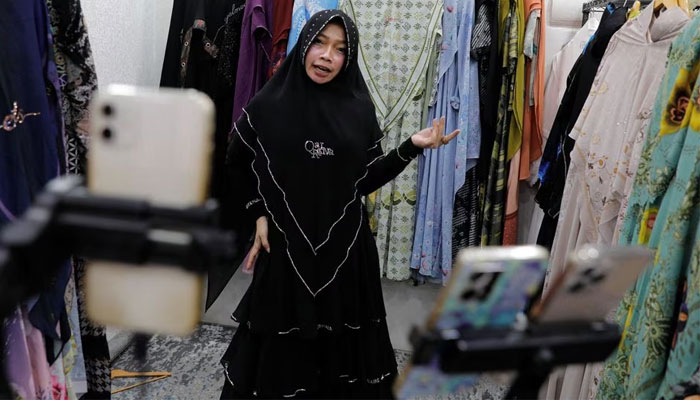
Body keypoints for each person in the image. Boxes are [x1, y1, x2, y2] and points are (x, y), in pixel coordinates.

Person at [219, 9, 459, 399]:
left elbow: (365, 179)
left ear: (349, 58)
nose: (327, 56)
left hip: (345, 253)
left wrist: (410, 147)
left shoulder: (358, 110)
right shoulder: (269, 104)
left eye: (340, 49)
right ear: (304, 45)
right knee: (276, 358)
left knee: (340, 361)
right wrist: (258, 213)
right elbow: (237, 161)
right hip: (285, 249)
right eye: (319, 43)